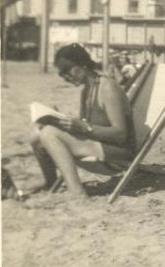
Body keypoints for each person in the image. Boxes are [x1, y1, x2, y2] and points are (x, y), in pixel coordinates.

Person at [29, 44, 135, 197]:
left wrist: (85, 128)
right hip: (99, 144)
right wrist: (60, 120)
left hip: (118, 153)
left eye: (67, 69)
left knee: (49, 134)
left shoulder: (107, 88)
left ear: (82, 65)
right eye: (61, 73)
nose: (65, 75)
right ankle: (51, 182)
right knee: (36, 133)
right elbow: (87, 125)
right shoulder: (87, 90)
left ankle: (77, 193)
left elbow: (121, 133)